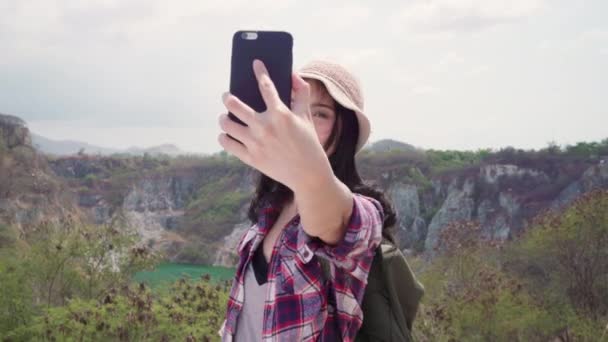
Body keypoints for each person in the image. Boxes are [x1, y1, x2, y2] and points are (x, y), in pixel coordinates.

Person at [217, 59, 396, 341]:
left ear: (346, 131)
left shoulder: (361, 212)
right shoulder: (270, 210)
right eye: (295, 110)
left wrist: (303, 159)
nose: (302, 123)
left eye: (320, 114)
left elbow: (333, 218)